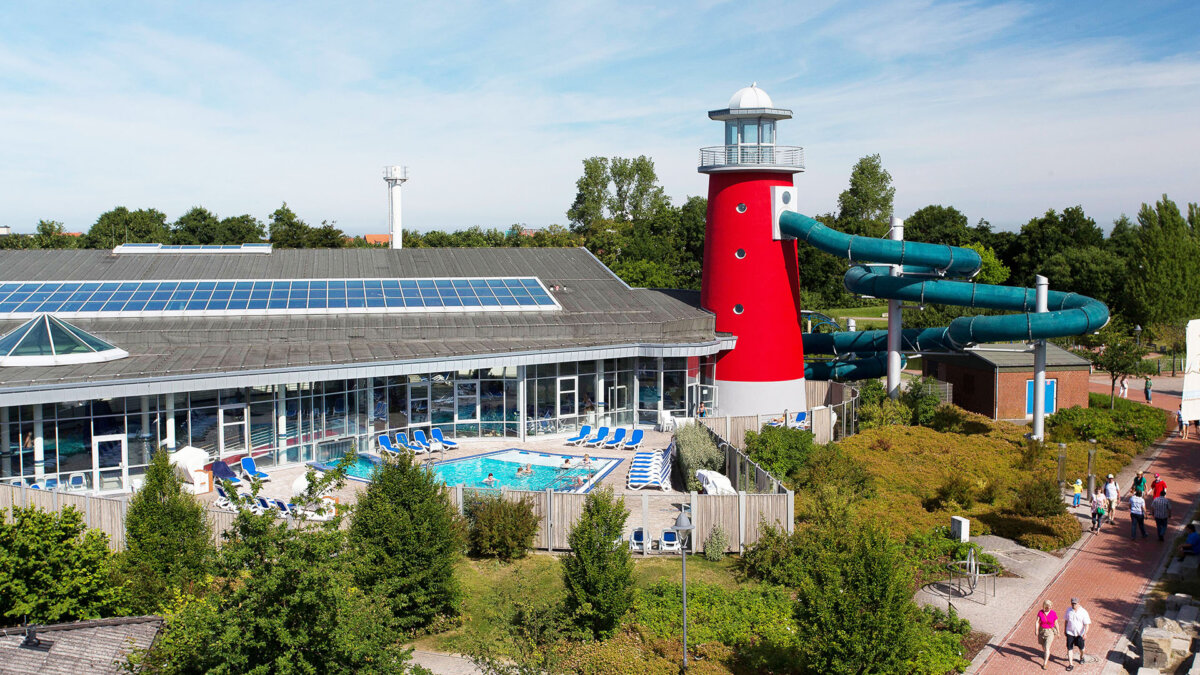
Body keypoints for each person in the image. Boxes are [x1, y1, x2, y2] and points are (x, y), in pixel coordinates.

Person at [1064, 598, 1091, 671]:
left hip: (1080, 634)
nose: (1073, 605)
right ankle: (1070, 664)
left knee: (1082, 649)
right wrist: (1065, 630)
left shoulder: (1083, 612)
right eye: (1072, 603)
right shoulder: (1068, 610)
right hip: (1070, 633)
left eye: (1075, 603)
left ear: (1079, 603)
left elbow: (1087, 624)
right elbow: (1066, 621)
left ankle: (1081, 657)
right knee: (1069, 648)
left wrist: (1085, 633)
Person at [1035, 599, 1059, 669]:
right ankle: (1046, 653)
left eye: (1051, 606)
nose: (1050, 608)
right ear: (1045, 606)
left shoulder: (1053, 613)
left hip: (1050, 632)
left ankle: (1045, 663)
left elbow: (1056, 623)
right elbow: (1037, 621)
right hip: (1042, 631)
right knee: (1043, 646)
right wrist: (1036, 630)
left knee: (1047, 647)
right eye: (1048, 607)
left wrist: (1058, 632)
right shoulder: (1040, 612)